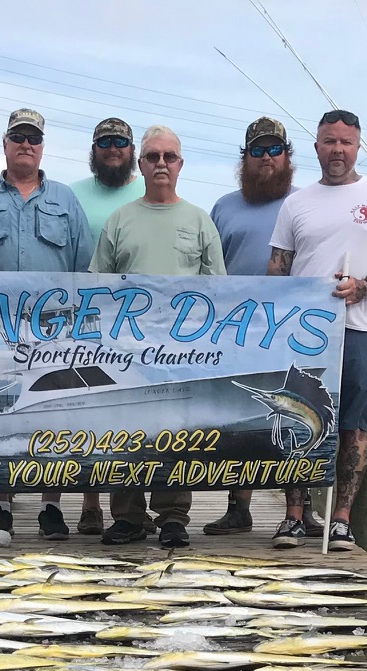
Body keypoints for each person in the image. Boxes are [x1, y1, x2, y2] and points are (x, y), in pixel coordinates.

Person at [265, 108, 367, 548]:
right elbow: (277, 268)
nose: (337, 150)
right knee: (296, 418)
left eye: (345, 142)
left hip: (359, 329)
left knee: (353, 426)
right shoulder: (297, 202)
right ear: (316, 147)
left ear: (357, 146)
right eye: (329, 141)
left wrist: (364, 286)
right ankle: (294, 513)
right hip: (302, 333)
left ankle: (342, 518)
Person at [90, 125, 225, 549]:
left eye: (169, 156)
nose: (161, 163)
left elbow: (219, 291)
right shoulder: (120, 220)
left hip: (183, 355)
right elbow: (97, 288)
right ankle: (128, 517)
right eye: (152, 157)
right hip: (125, 354)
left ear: (180, 165)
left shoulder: (200, 221)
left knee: (176, 433)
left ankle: (172, 517)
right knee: (125, 431)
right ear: (141, 164)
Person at [0, 106, 92, 543]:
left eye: (33, 138)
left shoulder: (66, 201)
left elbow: (82, 269)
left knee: (49, 414)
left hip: (53, 332)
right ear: (4, 143)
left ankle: (50, 507)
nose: (25, 144)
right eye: (18, 136)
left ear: (42, 147)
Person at [203, 115, 296, 536]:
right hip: (235, 332)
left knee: (293, 415)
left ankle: (300, 509)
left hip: (293, 329)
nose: (266, 158)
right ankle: (238, 506)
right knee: (239, 417)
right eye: (257, 150)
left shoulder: (303, 202)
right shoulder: (222, 208)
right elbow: (208, 272)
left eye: (274, 149)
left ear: (287, 156)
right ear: (244, 158)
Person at [66, 117, 143, 538]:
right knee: (90, 413)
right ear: (93, 149)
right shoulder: (72, 194)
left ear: (132, 150)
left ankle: (135, 508)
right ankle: (90, 503)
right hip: (87, 318)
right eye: (104, 142)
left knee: (134, 413)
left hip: (142, 325)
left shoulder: (148, 189)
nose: (113, 148)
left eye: (120, 142)